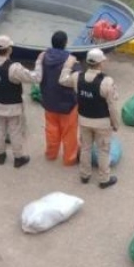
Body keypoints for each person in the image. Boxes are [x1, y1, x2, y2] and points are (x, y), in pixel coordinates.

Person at [59, 48, 119, 189]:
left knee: (85, 148)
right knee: (103, 150)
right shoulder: (107, 82)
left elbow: (62, 80)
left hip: (84, 119)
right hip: (102, 122)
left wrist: (68, 65)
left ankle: (85, 175)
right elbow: (112, 107)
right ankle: (104, 179)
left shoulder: (77, 77)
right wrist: (115, 123)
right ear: (101, 63)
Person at [0, 35, 39, 168]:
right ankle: (18, 158)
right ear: (9, 50)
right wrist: (39, 66)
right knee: (15, 132)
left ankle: (1, 155)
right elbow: (32, 78)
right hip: (13, 106)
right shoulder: (14, 68)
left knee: (0, 130)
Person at [35, 31, 81, 166]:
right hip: (67, 103)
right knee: (69, 133)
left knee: (51, 130)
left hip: (48, 101)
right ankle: (69, 158)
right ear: (65, 43)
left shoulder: (43, 57)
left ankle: (51, 154)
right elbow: (78, 79)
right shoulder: (71, 60)